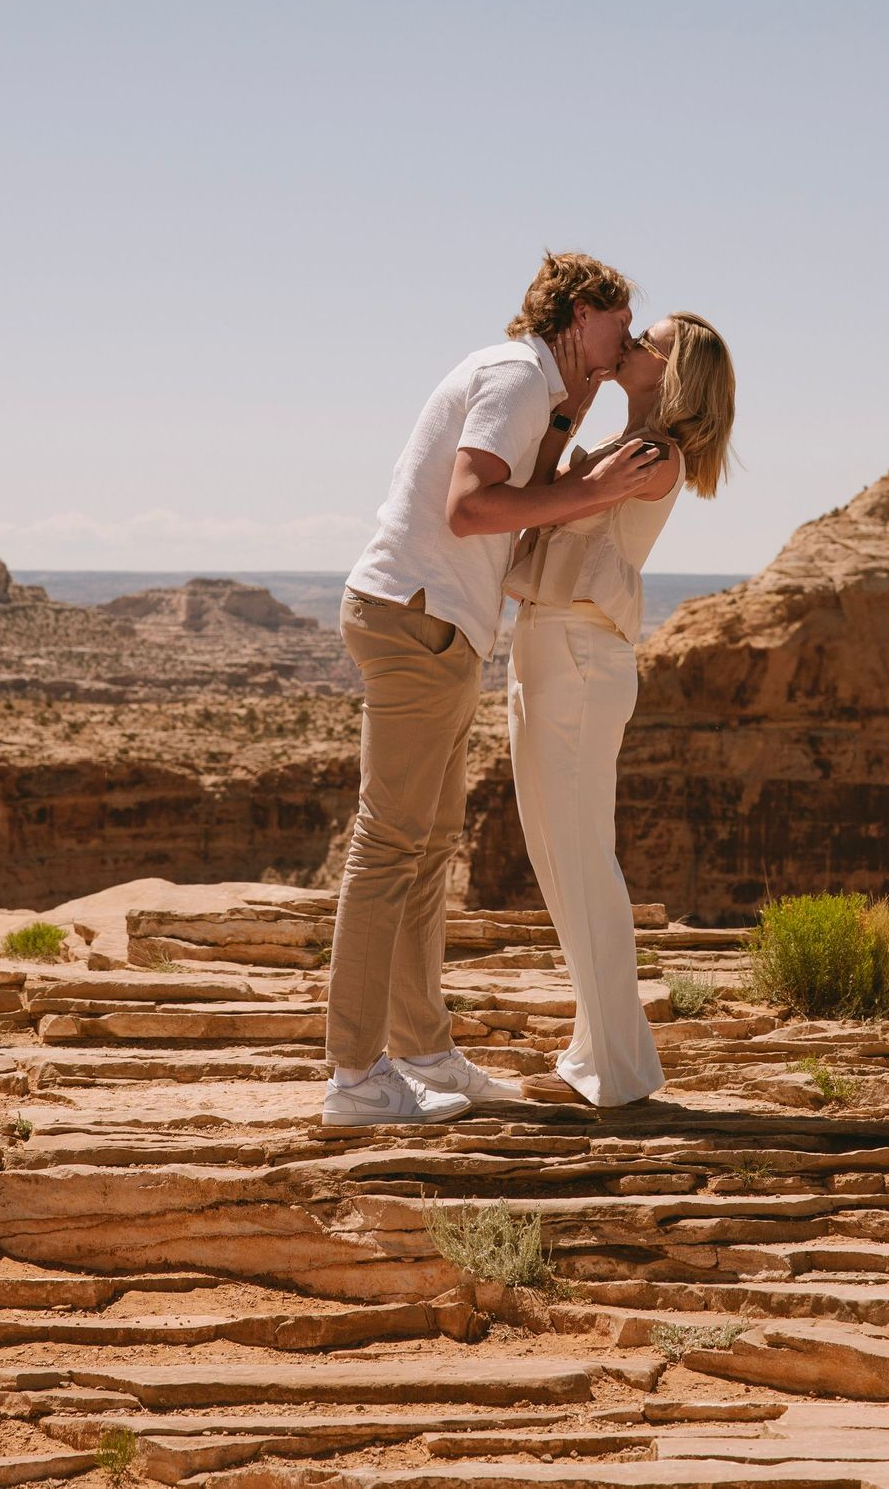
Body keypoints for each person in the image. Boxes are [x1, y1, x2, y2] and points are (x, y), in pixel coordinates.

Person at [322, 251, 665, 1128]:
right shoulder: (515, 375)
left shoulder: (535, 389)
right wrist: (587, 486)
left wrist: (574, 423)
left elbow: (522, 498)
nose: (626, 337)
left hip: (438, 624)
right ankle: (356, 1079)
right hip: (417, 617)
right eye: (620, 324)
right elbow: (472, 508)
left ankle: (425, 1052)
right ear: (582, 312)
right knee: (390, 845)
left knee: (429, 845)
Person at [506, 311, 736, 1106]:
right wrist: (572, 411)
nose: (635, 344)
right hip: (548, 642)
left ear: (676, 374)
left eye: (653, 343)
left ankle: (620, 1068)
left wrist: (574, 404)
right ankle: (597, 1045)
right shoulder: (623, 444)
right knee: (558, 856)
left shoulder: (652, 454)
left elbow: (542, 506)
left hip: (576, 649)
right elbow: (545, 497)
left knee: (581, 858)